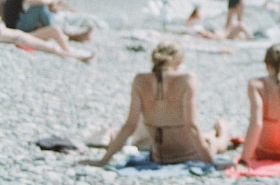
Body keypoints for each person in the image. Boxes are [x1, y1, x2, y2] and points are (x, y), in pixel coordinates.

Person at [86, 40, 229, 166]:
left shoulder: (140, 80)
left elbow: (129, 127)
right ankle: (221, 128)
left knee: (207, 136)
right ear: (178, 62)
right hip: (188, 155)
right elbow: (192, 127)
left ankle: (215, 130)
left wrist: (103, 161)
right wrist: (211, 163)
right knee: (216, 141)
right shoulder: (187, 79)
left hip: (159, 157)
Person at [3, 0, 92, 60]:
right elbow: (39, 0)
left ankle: (66, 42)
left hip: (18, 29)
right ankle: (68, 50)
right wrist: (53, 1)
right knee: (40, 8)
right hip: (18, 29)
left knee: (52, 26)